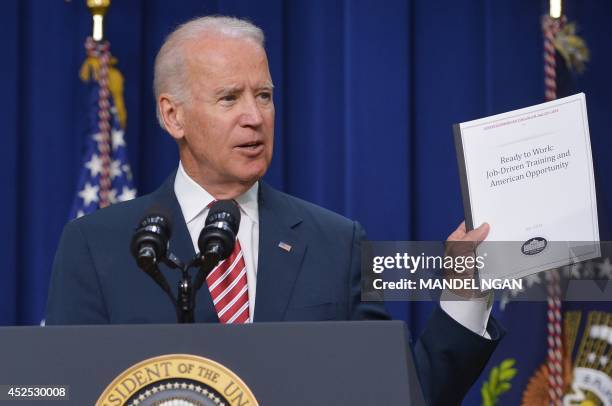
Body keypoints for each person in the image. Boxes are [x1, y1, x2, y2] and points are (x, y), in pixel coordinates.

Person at [46, 16, 502, 404]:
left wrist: (464, 298)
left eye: (263, 95)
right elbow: (63, 389)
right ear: (173, 116)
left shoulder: (337, 243)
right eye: (230, 98)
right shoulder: (97, 245)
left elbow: (400, 396)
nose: (255, 116)